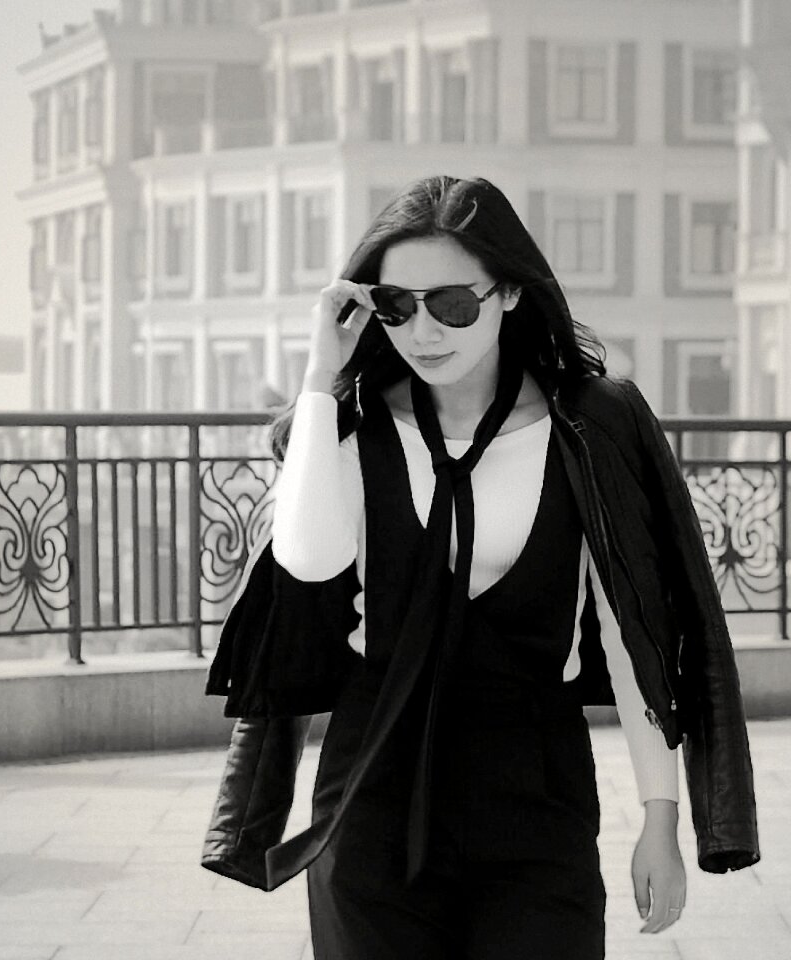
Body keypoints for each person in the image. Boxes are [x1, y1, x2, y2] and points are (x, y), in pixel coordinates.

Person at [264, 174, 759, 959]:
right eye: (396, 306)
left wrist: (660, 817)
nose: (424, 330)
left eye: (453, 303)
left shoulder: (589, 425)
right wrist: (322, 375)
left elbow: (631, 634)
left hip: (536, 786)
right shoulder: (352, 425)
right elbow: (308, 558)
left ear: (509, 296)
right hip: (374, 783)